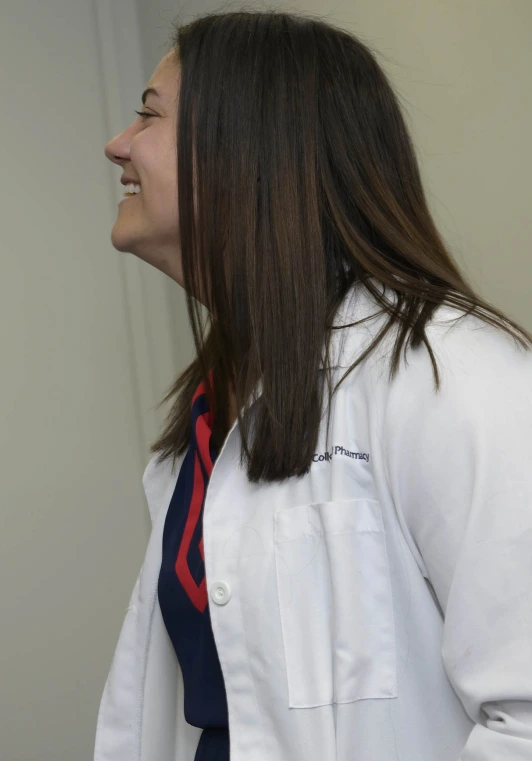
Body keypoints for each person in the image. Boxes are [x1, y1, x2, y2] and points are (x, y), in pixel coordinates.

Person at [95, 11, 532, 761]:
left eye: (149, 114)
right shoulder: (210, 414)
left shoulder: (449, 375)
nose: (119, 144)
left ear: (247, 150)